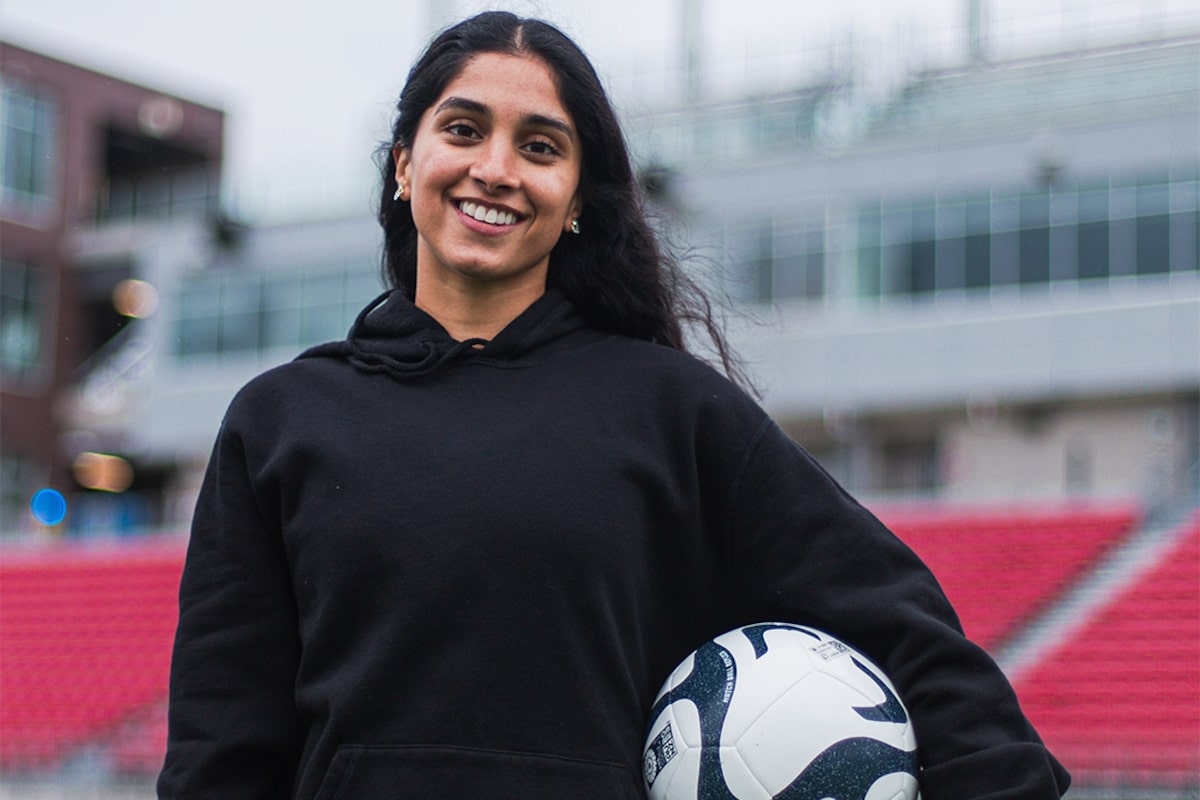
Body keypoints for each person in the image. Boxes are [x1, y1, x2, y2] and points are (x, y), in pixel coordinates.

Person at [158, 11, 1070, 799]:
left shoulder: (671, 410)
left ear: (575, 203)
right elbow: (220, 748)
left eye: (541, 146)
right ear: (405, 164)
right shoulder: (280, 421)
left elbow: (895, 618)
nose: (497, 168)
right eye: (464, 130)